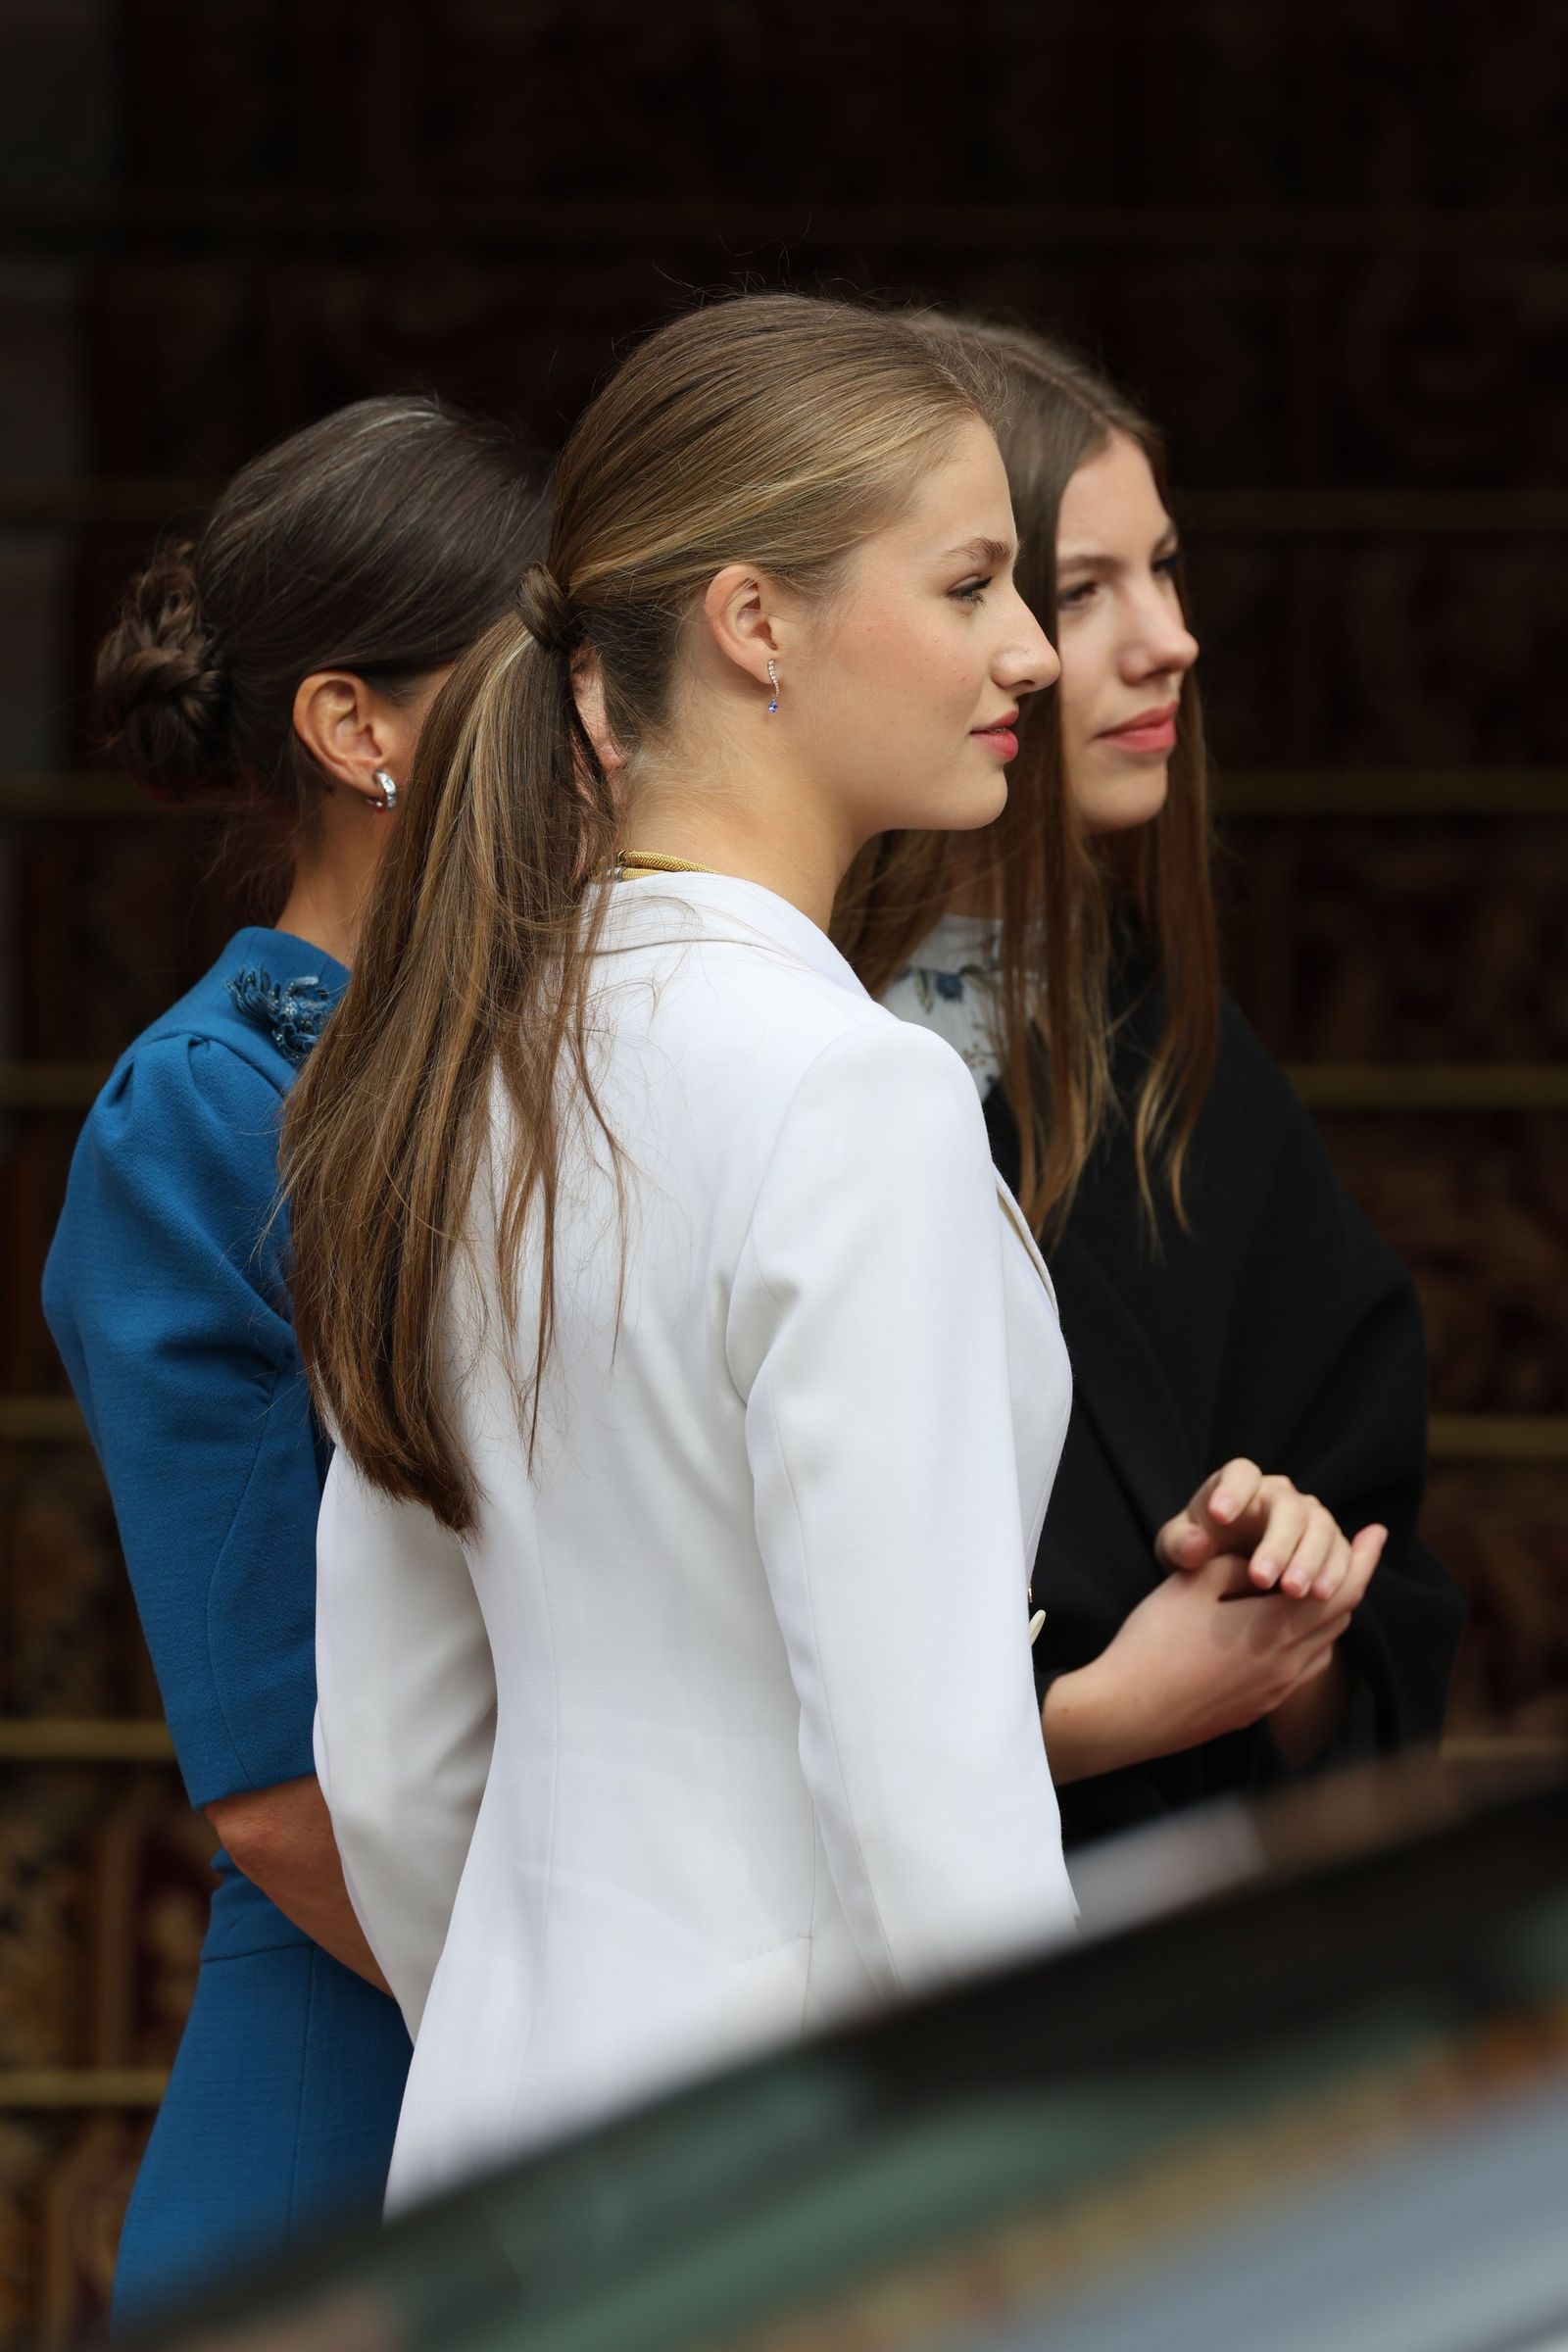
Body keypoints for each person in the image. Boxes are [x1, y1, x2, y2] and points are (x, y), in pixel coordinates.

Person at [285, 292, 1079, 2213]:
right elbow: (922, 1782)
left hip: (499, 2140)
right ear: (751, 623)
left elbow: (390, 1757)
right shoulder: (847, 1096)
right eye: (969, 583)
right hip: (795, 2183)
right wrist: (1085, 2181)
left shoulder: (457, 1069)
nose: (1033, 651)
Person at [42, 395, 548, 2326]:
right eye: (554, 668)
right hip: (371, 2111)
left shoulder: (615, 1055)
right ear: (360, 734)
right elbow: (280, 1788)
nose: (619, 723)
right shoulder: (203, 1113)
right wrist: (590, 2046)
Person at [838, 318, 1464, 1849]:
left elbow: (1372, 1642)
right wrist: (1087, 1719)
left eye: (1165, 569)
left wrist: (1274, 1607)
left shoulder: (1181, 1063)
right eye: (1079, 589)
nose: (1166, 637)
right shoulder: (738, 1042)